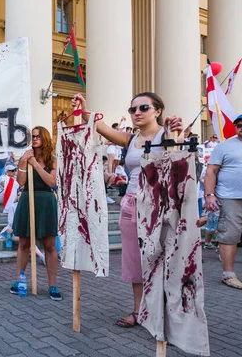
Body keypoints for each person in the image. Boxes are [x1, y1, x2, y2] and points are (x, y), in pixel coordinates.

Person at [71, 92, 183, 325]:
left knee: (164, 260)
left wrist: (177, 133)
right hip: (132, 203)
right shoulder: (130, 139)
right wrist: (83, 107)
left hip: (160, 205)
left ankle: (169, 318)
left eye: (143, 108)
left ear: (158, 111)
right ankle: (139, 311)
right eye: (133, 110)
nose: (137, 113)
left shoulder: (168, 134)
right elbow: (99, 126)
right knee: (135, 260)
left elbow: (181, 161)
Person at [9, 126, 61, 300]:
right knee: (24, 243)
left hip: (46, 202)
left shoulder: (52, 160)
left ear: (45, 138)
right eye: (33, 136)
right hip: (27, 200)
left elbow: (51, 182)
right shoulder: (26, 157)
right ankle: (19, 280)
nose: (35, 138)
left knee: (49, 245)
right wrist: (24, 161)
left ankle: (52, 285)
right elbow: (21, 182)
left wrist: (35, 164)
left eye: (38, 136)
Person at [204, 113, 242, 290]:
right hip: (230, 197)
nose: (241, 128)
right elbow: (211, 171)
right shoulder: (224, 146)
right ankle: (228, 274)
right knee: (229, 234)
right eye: (239, 125)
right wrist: (209, 195)